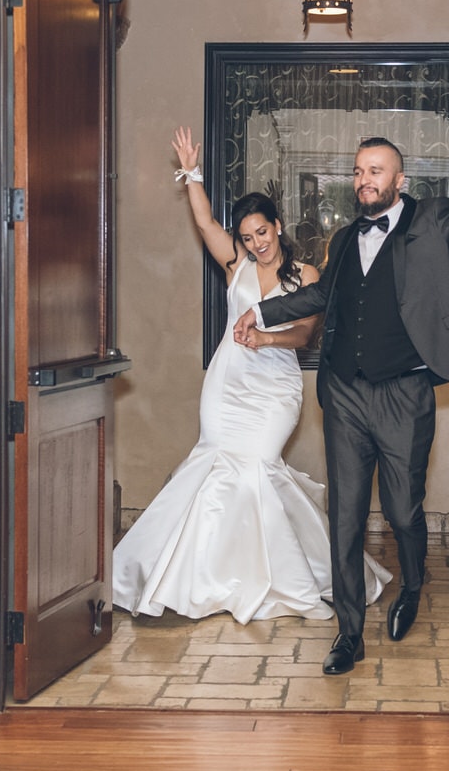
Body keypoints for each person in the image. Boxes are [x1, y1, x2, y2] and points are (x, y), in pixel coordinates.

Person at [234, 132, 449, 675]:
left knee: (401, 510)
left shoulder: (433, 220)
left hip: (404, 393)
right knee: (344, 516)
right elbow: (322, 297)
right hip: (344, 391)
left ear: (400, 180)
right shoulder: (344, 239)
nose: (363, 180)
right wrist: (263, 311)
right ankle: (349, 633)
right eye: (357, 171)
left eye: (375, 171)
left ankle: (413, 587)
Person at [113, 128, 388, 624]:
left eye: (262, 232)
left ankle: (283, 575)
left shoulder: (305, 275)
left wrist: (266, 337)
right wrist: (191, 172)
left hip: (275, 388)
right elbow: (203, 221)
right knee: (215, 468)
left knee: (259, 468)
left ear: (277, 226)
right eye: (246, 237)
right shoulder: (235, 265)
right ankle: (207, 577)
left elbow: (305, 335)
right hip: (228, 384)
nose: (255, 243)